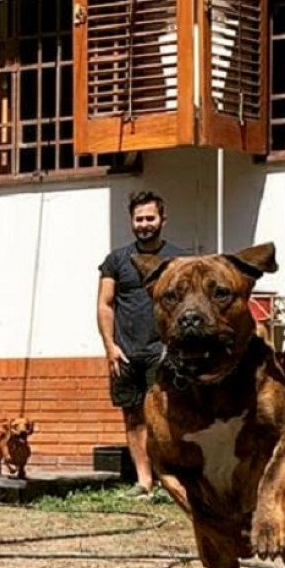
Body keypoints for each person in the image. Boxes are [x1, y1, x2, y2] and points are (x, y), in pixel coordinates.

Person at [97, 191, 188, 499]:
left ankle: (169, 482)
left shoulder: (177, 260)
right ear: (131, 222)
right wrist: (110, 346)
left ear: (162, 220)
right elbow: (105, 304)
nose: (145, 224)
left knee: (165, 418)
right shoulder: (115, 261)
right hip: (125, 354)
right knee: (133, 417)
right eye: (139, 219)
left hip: (162, 354)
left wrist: (174, 348)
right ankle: (144, 481)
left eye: (150, 218)